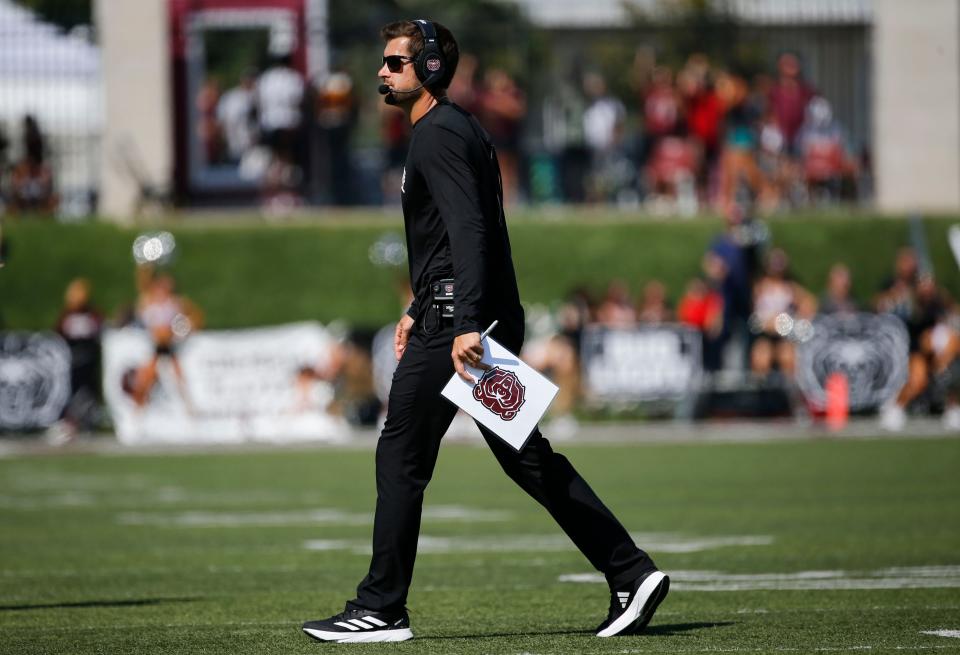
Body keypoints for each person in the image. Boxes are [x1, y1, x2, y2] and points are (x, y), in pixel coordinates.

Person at [301, 19, 669, 644]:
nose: (382, 72)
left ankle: (381, 607)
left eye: (395, 62)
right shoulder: (449, 129)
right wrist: (420, 305)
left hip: (459, 323)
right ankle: (631, 572)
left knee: (401, 454)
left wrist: (462, 320)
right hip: (452, 311)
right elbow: (452, 238)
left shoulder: (438, 134)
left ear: (432, 69)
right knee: (524, 456)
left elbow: (471, 231)